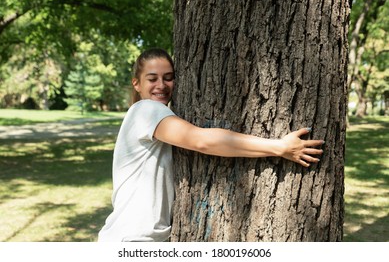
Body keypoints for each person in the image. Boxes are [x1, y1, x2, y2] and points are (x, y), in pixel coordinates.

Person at [98, 48, 324, 242]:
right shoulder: (145, 110)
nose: (162, 85)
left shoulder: (153, 116)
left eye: (168, 77)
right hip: (130, 241)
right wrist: (279, 147)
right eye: (152, 78)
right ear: (136, 84)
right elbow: (203, 140)